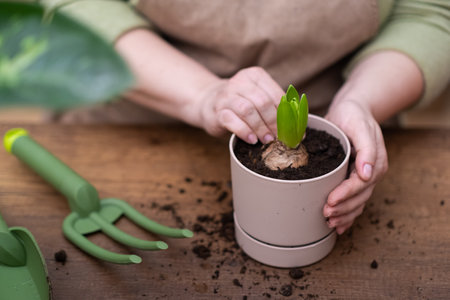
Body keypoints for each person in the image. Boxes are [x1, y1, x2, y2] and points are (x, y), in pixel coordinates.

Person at [41, 0, 449, 235]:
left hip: (337, 103)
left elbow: (431, 11)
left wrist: (362, 100)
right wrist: (201, 94)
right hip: (137, 109)